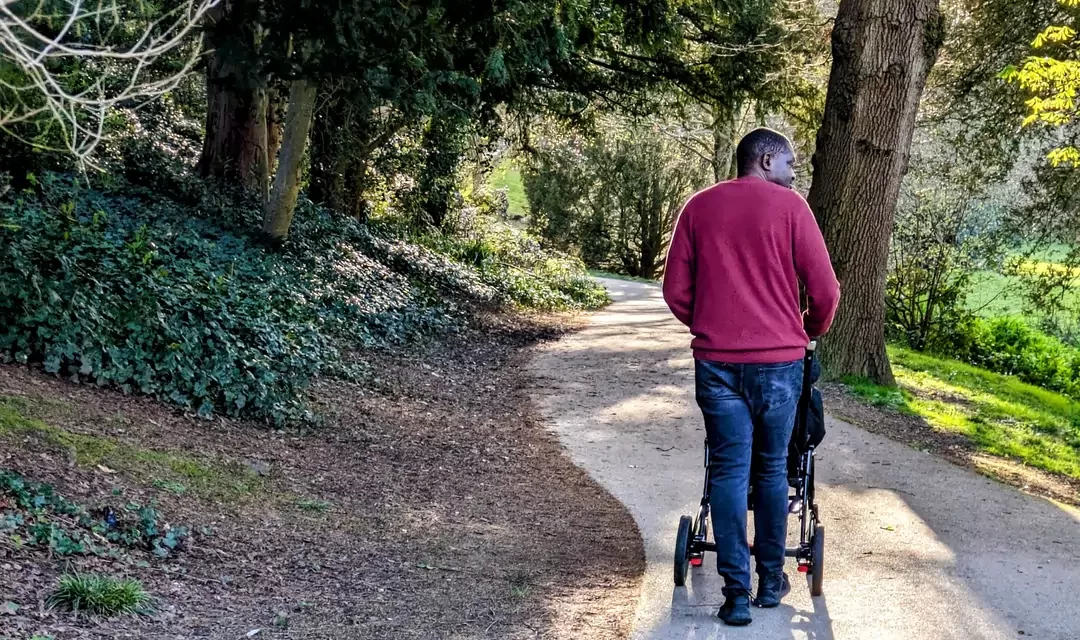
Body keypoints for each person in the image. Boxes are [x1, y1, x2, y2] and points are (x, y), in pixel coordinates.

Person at [662, 128, 840, 626]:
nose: (794, 172)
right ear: (766, 160)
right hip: (780, 365)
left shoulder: (698, 207)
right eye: (790, 164)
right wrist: (806, 329)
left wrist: (708, 324)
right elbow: (825, 291)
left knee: (726, 470)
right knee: (770, 470)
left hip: (716, 364)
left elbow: (675, 290)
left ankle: (735, 594)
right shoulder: (791, 210)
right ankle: (770, 583)